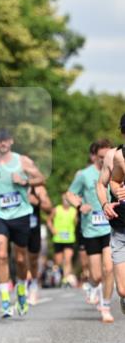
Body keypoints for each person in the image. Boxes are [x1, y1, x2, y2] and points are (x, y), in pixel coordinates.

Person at [0, 128, 45, 318]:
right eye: (0, 140)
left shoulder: (22, 160)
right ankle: (5, 299)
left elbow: (40, 178)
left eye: (6, 140)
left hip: (21, 214)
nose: (3, 143)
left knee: (20, 259)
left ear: (11, 142)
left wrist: (25, 182)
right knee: (1, 255)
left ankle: (22, 291)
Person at [68, 139, 115, 322]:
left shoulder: (115, 170)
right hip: (91, 229)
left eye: (107, 156)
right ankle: (92, 284)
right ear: (94, 156)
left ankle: (105, 306)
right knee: (96, 274)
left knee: (109, 268)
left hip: (111, 227)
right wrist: (79, 205)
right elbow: (70, 194)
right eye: (101, 157)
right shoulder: (84, 174)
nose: (105, 160)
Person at [97, 115, 125, 316]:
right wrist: (106, 203)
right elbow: (104, 183)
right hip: (121, 225)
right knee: (123, 290)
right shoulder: (115, 156)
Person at [26, 182, 52, 304]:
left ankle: (34, 285)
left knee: (33, 259)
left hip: (32, 226)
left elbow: (48, 208)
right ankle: (23, 284)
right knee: (20, 258)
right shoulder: (11, 184)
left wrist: (38, 201)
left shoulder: (38, 188)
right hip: (15, 226)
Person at [48, 194, 78, 289]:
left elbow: (76, 222)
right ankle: (58, 276)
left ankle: (65, 279)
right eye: (64, 199)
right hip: (58, 239)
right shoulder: (57, 209)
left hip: (69, 239)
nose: (66, 201)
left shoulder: (74, 211)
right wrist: (52, 229)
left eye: (67, 199)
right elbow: (49, 220)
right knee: (59, 261)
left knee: (68, 259)